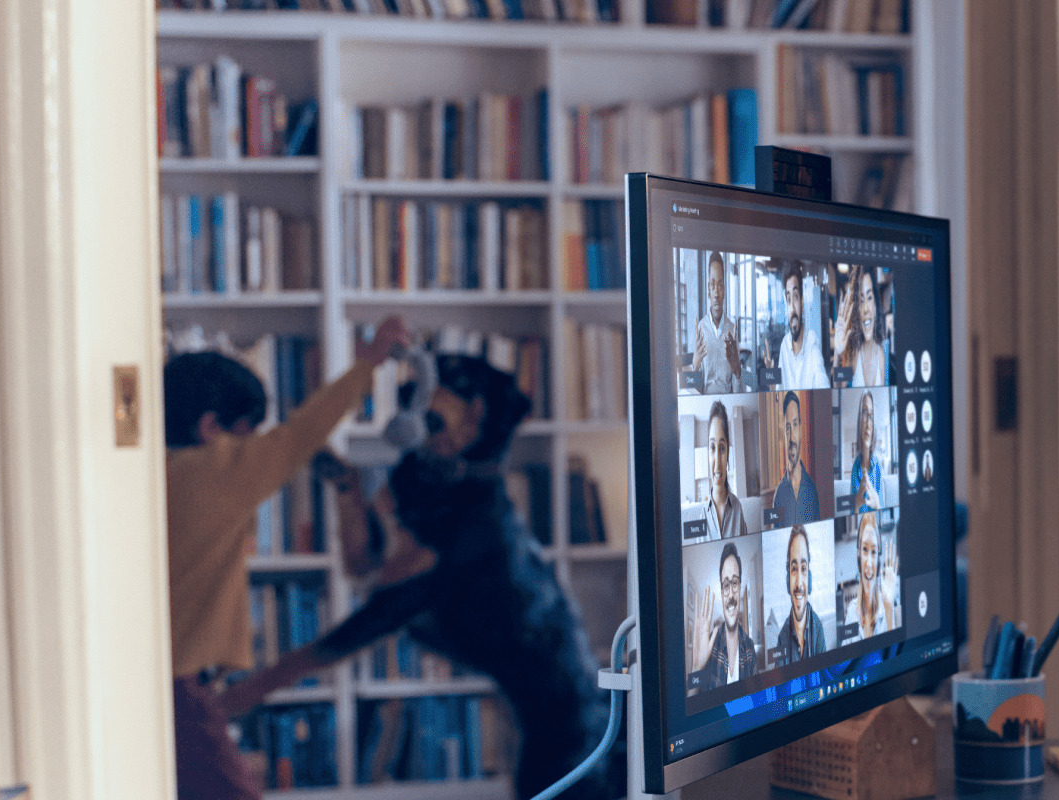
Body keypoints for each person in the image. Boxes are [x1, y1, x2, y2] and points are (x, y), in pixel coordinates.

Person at [213, 355, 614, 800]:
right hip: (532, 702)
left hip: (568, 718)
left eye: (448, 421)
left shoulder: (479, 530)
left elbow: (369, 618)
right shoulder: (416, 474)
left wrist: (232, 702)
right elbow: (361, 566)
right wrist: (349, 492)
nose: (438, 434)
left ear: (482, 424)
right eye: (427, 417)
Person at [164, 315, 408, 800]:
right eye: (248, 434)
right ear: (211, 428)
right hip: (180, 690)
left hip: (169, 684)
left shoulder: (157, 472)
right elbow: (300, 435)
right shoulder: (214, 469)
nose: (256, 448)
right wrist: (367, 366)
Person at [688, 542, 759, 691]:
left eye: (734, 583)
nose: (731, 594)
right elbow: (693, 704)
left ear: (739, 588)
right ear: (721, 593)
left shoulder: (750, 648)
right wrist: (696, 667)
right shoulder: (709, 648)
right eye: (726, 585)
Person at [686, 254, 745, 394]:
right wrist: (695, 366)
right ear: (708, 290)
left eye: (720, 286)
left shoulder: (732, 331)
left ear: (724, 289)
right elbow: (694, 394)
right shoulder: (700, 330)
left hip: (728, 409)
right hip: (706, 409)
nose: (716, 293)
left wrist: (738, 373)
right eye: (713, 285)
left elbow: (739, 394)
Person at [776, 526, 829, 663]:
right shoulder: (782, 638)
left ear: (810, 579)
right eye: (794, 569)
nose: (799, 583)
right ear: (788, 580)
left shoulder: (817, 630)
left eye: (804, 569)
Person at [830, 268, 889, 387]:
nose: (866, 309)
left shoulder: (881, 354)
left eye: (869, 297)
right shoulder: (854, 354)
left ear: (876, 306)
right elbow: (837, 386)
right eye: (861, 301)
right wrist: (837, 352)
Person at [771, 392, 822, 525]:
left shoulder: (812, 491)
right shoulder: (778, 496)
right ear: (783, 435)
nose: (792, 437)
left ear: (800, 428)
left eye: (794, 425)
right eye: (787, 428)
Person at [773, 265, 828, 390]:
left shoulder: (812, 344)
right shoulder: (784, 345)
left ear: (802, 302)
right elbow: (778, 392)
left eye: (796, 297)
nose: (792, 307)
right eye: (788, 299)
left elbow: (822, 381)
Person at [704, 401, 749, 541]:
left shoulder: (737, 508)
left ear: (728, 453)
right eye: (712, 448)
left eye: (722, 448)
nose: (717, 460)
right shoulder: (702, 516)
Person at [853, 514, 897, 638]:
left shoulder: (887, 606)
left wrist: (889, 610)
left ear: (878, 560)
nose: (869, 563)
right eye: (865, 550)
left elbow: (893, 654)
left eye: (873, 552)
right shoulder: (852, 613)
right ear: (858, 556)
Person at [849, 392, 889, 513]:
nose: (868, 424)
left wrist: (877, 505)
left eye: (871, 416)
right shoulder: (855, 468)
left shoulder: (877, 465)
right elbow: (852, 513)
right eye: (865, 413)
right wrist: (856, 504)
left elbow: (881, 511)